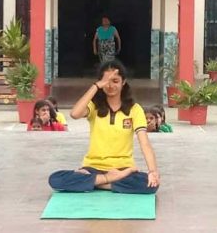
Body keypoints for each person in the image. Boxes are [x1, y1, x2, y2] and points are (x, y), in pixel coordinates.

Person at [48, 60, 159, 194]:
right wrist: (96, 86)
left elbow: (144, 143)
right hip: (93, 168)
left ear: (123, 82)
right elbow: (75, 113)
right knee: (55, 179)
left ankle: (96, 184)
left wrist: (153, 172)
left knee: (150, 185)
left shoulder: (134, 109)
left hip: (122, 169)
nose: (110, 85)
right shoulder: (94, 106)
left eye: (115, 81)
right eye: (107, 81)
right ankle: (107, 181)